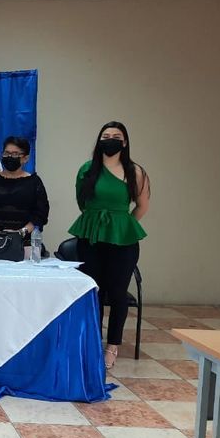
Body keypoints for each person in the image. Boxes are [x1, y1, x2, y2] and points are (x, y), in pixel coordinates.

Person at [69, 121, 150, 369]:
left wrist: (121, 225)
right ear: (99, 140)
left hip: (122, 240)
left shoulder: (135, 171)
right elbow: (82, 202)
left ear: (124, 142)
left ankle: (112, 346)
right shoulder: (87, 169)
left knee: (117, 293)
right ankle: (92, 341)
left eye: (116, 136)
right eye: (106, 135)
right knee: (92, 291)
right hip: (91, 235)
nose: (110, 139)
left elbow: (142, 206)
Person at [0, 136, 50, 247]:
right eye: (7, 153)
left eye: (15, 154)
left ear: (25, 158)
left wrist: (20, 233)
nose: (10, 157)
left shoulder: (34, 182)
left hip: (25, 242)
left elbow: (41, 214)